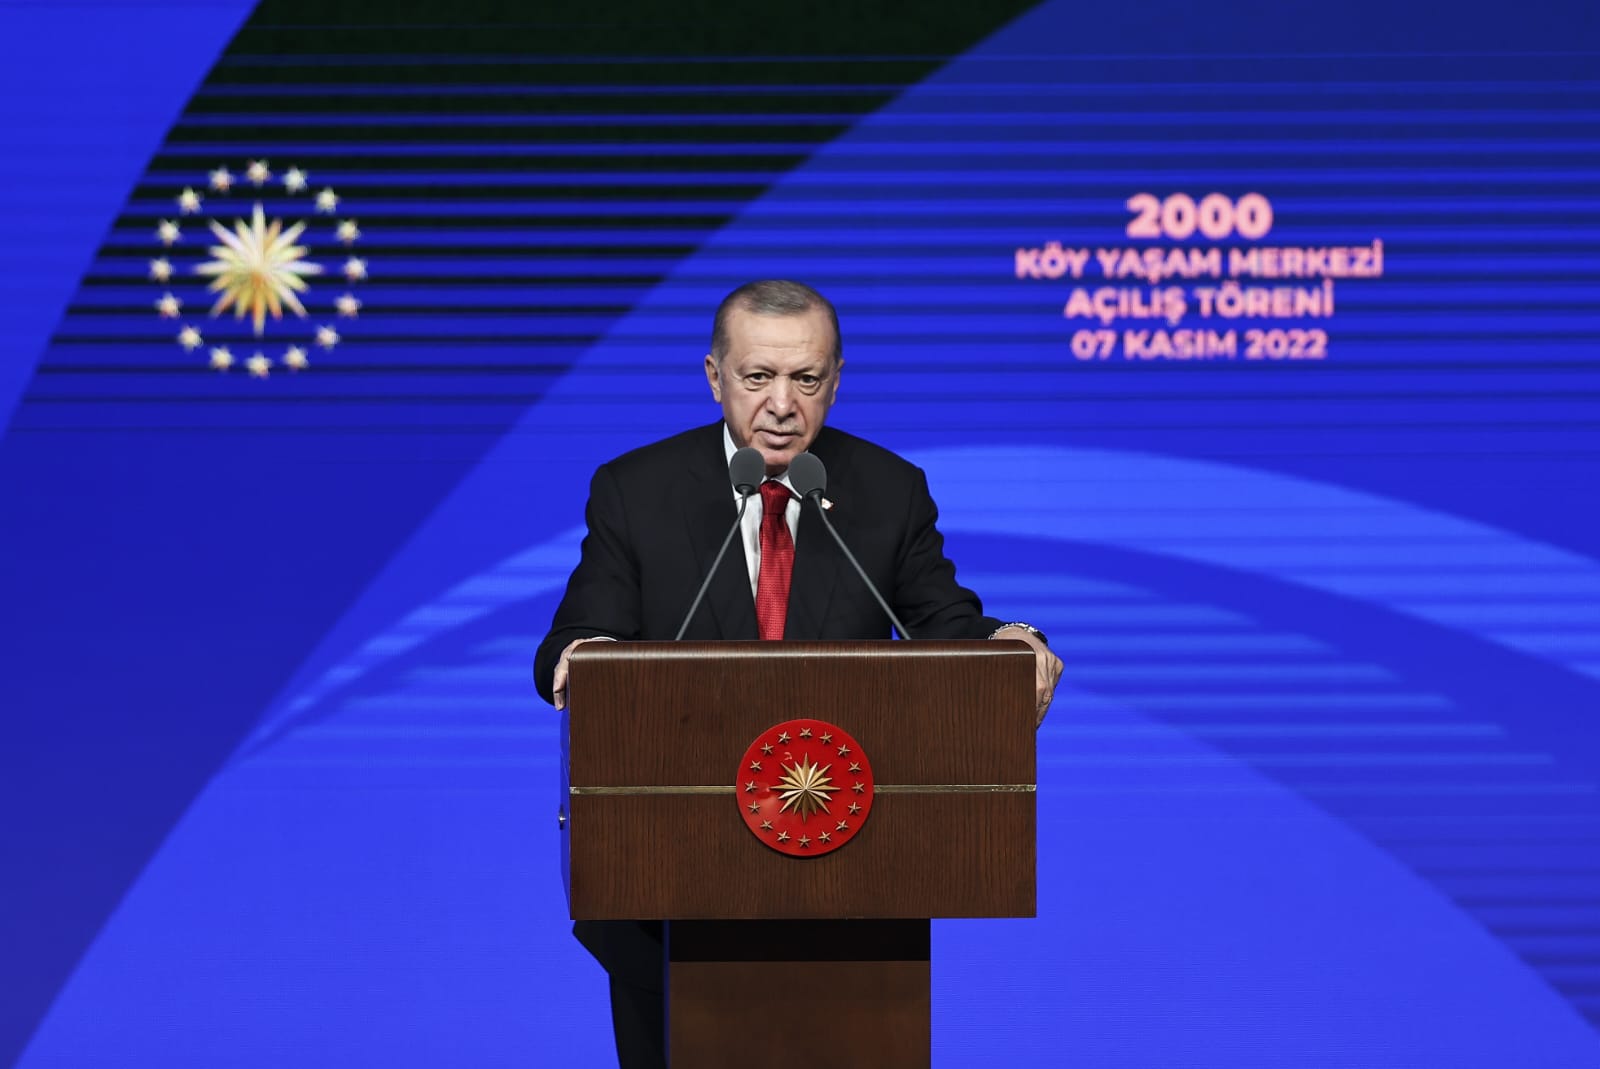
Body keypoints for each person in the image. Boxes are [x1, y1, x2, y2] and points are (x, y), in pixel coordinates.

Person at [534, 279, 1062, 1069]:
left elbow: (948, 630)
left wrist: (1014, 640)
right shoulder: (636, 491)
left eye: (806, 379)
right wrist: (586, 661)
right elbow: (577, 637)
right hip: (666, 893)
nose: (782, 405)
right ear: (715, 376)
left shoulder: (888, 490)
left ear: (836, 381)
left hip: (853, 902)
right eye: (758, 377)